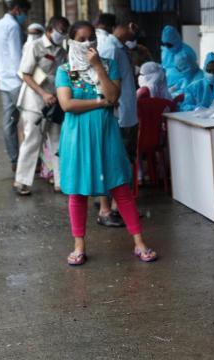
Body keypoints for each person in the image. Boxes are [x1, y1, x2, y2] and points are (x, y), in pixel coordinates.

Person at [56, 21, 157, 265]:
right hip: (76, 138)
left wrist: (98, 66)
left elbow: (113, 96)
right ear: (71, 41)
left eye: (91, 38)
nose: (87, 43)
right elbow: (67, 105)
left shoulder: (109, 65)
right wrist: (100, 103)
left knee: (120, 188)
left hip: (106, 134)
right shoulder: (65, 70)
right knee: (78, 193)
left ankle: (139, 242)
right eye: (81, 39)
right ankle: (79, 245)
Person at [13, 16, 69, 195]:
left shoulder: (62, 50)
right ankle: (22, 182)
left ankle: (61, 182)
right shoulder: (34, 46)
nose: (62, 34)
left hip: (55, 100)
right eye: (60, 30)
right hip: (34, 102)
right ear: (50, 29)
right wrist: (43, 94)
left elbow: (66, 72)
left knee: (57, 141)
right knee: (32, 140)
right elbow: (25, 74)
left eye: (65, 31)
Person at [97, 16, 140, 228]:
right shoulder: (110, 48)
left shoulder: (120, 48)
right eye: (132, 27)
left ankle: (118, 208)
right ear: (123, 26)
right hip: (118, 115)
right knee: (113, 163)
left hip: (128, 114)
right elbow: (102, 79)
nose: (135, 32)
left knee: (124, 163)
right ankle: (106, 210)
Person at [0, 0, 30, 172]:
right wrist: (25, 80)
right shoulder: (13, 27)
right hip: (16, 81)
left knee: (9, 122)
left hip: (4, 81)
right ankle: (30, 161)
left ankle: (15, 159)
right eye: (24, 12)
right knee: (31, 120)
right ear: (16, 9)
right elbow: (16, 57)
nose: (24, 16)